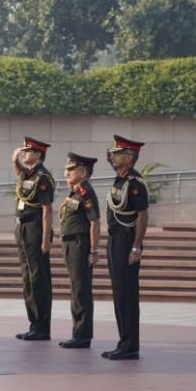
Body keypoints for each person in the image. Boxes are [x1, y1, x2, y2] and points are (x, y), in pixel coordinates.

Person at [103, 135, 149, 360]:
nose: (112, 156)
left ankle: (131, 346)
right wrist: (109, 156)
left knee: (127, 295)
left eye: (117, 153)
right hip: (114, 239)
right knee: (119, 294)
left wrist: (136, 248)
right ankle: (123, 342)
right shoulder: (120, 179)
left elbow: (142, 216)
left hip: (127, 240)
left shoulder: (135, 182)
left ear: (128, 157)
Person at [11, 136, 55, 341]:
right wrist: (15, 161)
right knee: (28, 278)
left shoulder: (43, 177)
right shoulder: (28, 174)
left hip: (36, 228)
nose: (24, 153)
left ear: (38, 154)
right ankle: (34, 323)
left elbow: (47, 211)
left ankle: (42, 327)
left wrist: (45, 240)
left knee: (39, 278)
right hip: (23, 228)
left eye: (28, 151)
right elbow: (20, 178)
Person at [58, 152, 100, 349]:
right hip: (70, 245)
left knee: (81, 291)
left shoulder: (85, 192)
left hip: (80, 245)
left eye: (70, 170)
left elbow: (95, 222)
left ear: (83, 172)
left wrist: (94, 251)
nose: (66, 173)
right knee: (76, 290)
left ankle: (82, 335)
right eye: (66, 169)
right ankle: (78, 332)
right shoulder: (75, 191)